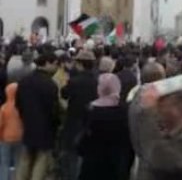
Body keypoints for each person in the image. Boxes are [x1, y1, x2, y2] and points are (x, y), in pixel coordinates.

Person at [133, 85, 182, 180]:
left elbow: (158, 157)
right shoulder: (175, 132)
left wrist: (148, 111)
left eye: (163, 106)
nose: (158, 111)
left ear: (179, 107)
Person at [78, 74, 131, 180]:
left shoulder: (90, 109)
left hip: (92, 161)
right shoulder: (125, 110)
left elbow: (85, 132)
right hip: (116, 161)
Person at [15, 53, 59, 180]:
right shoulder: (50, 84)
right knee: (41, 159)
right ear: (47, 63)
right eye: (54, 64)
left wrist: (24, 117)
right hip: (45, 127)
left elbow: (18, 103)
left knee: (25, 158)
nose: (56, 67)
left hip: (28, 124)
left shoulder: (24, 81)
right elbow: (53, 109)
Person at [60, 50, 98, 180]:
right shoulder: (97, 80)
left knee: (71, 155)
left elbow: (64, 94)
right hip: (91, 121)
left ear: (80, 64)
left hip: (74, 120)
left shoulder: (75, 81)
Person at [0, 83, 23, 180]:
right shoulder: (23, 107)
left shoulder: (4, 108)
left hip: (5, 138)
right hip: (20, 138)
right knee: (18, 162)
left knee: (4, 163)